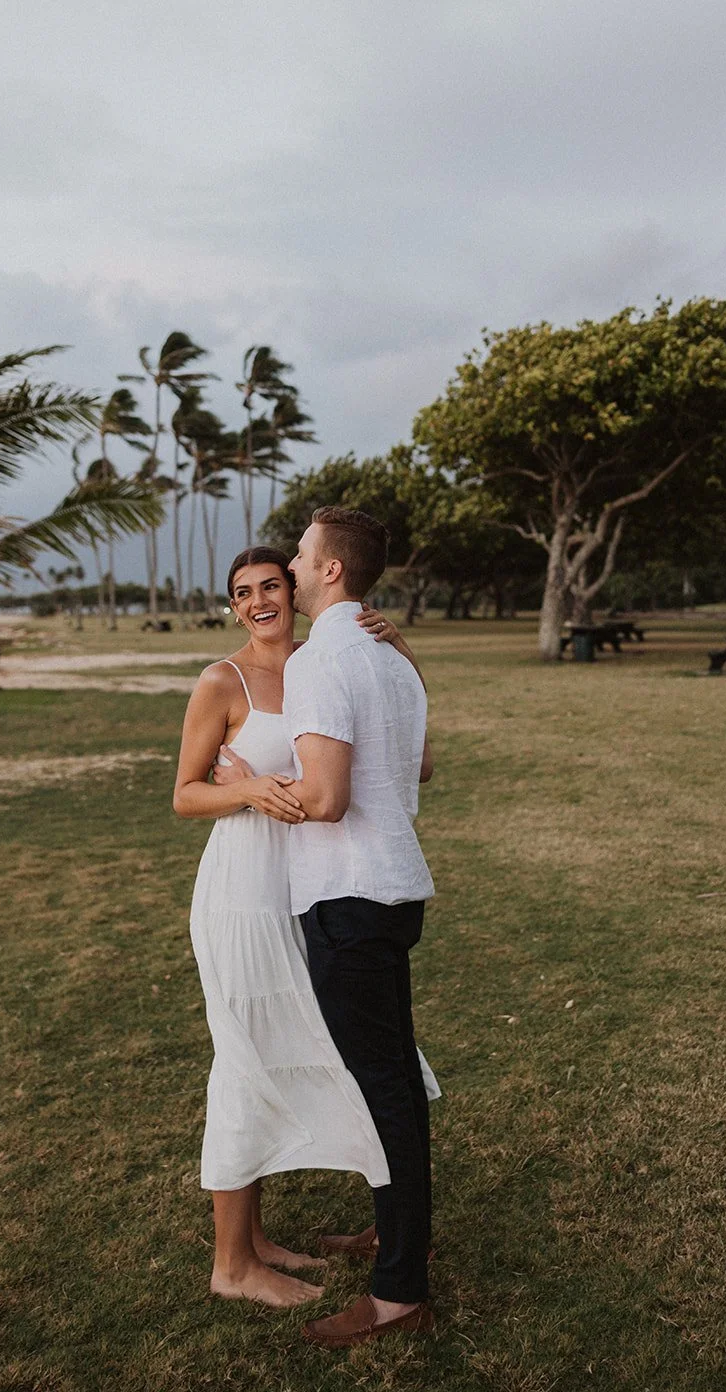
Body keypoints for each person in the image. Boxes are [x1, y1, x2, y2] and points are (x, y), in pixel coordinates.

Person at [173, 546, 431, 1308]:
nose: (257, 602)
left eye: (269, 586)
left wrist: (401, 651)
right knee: (242, 1056)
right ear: (233, 607)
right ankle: (231, 1263)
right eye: (241, 593)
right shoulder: (221, 681)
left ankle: (258, 1239)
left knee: (307, 1049)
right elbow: (184, 794)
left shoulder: (325, 665)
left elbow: (398, 757)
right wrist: (247, 790)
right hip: (243, 891)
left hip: (311, 886)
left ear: (295, 590)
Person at [281, 506, 436, 1348]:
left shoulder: (318, 660)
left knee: (382, 1089)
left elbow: (326, 799)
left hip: (347, 897)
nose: (292, 568)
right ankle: (394, 1232)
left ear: (331, 569)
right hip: (393, 892)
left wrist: (245, 787)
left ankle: (398, 1293)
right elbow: (421, 766)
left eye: (302, 555)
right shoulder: (391, 657)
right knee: (395, 1083)